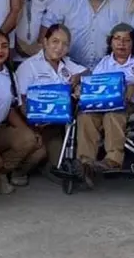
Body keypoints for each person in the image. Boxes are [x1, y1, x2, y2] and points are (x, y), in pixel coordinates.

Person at [75, 24, 134, 186]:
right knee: (85, 116)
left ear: (133, 43)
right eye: (117, 39)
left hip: (131, 105)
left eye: (126, 40)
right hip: (102, 105)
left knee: (114, 113)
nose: (121, 43)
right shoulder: (104, 62)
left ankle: (113, 159)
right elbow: (94, 84)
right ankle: (85, 162)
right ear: (111, 42)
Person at [0, 29, 47, 188]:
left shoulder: (10, 75)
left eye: (4, 46)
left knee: (36, 148)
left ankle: (3, 171)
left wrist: (29, 133)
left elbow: (10, 109)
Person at [15, 24, 87, 167]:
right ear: (45, 41)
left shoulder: (67, 64)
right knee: (56, 165)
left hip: (65, 123)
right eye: (55, 41)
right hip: (41, 125)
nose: (59, 47)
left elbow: (88, 72)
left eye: (65, 44)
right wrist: (34, 122)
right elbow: (21, 101)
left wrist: (78, 77)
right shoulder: (29, 66)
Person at [42, 0, 131, 69]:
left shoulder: (124, 3)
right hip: (70, 69)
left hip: (109, 70)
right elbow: (47, 26)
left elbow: (131, 39)